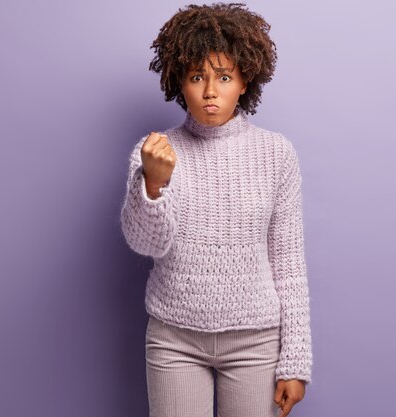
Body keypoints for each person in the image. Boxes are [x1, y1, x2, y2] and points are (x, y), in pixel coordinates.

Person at [120, 3, 312, 416]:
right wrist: (154, 182)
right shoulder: (156, 151)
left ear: (245, 81)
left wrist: (295, 361)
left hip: (256, 342)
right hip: (174, 340)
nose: (210, 91)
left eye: (224, 77)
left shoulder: (276, 154)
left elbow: (289, 263)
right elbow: (145, 242)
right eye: (196, 77)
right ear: (179, 82)